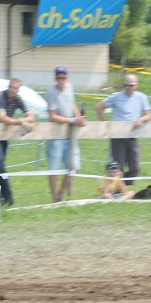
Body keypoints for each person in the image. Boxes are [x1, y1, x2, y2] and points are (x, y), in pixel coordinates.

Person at [0, 78, 34, 206]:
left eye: (15, 88)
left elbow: (30, 115)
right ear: (8, 86)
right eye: (11, 87)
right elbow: (1, 117)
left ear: (18, 90)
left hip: (3, 135)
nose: (12, 90)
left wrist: (27, 120)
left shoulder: (18, 99)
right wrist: (20, 122)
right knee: (0, 164)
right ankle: (8, 195)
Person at [96, 73, 151, 185]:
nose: (128, 87)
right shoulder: (116, 96)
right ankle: (117, 189)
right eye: (125, 85)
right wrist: (106, 123)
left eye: (131, 85)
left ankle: (122, 185)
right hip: (117, 136)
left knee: (135, 166)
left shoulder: (141, 97)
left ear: (136, 85)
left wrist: (141, 120)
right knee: (118, 165)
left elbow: (149, 115)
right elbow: (99, 107)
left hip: (132, 135)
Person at [45, 66, 86, 202]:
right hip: (56, 134)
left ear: (67, 77)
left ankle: (60, 194)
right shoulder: (51, 92)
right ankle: (54, 196)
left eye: (63, 77)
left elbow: (72, 103)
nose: (61, 80)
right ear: (55, 78)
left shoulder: (70, 87)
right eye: (58, 77)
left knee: (72, 166)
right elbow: (52, 116)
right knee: (54, 168)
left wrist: (78, 117)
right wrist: (72, 120)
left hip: (70, 133)